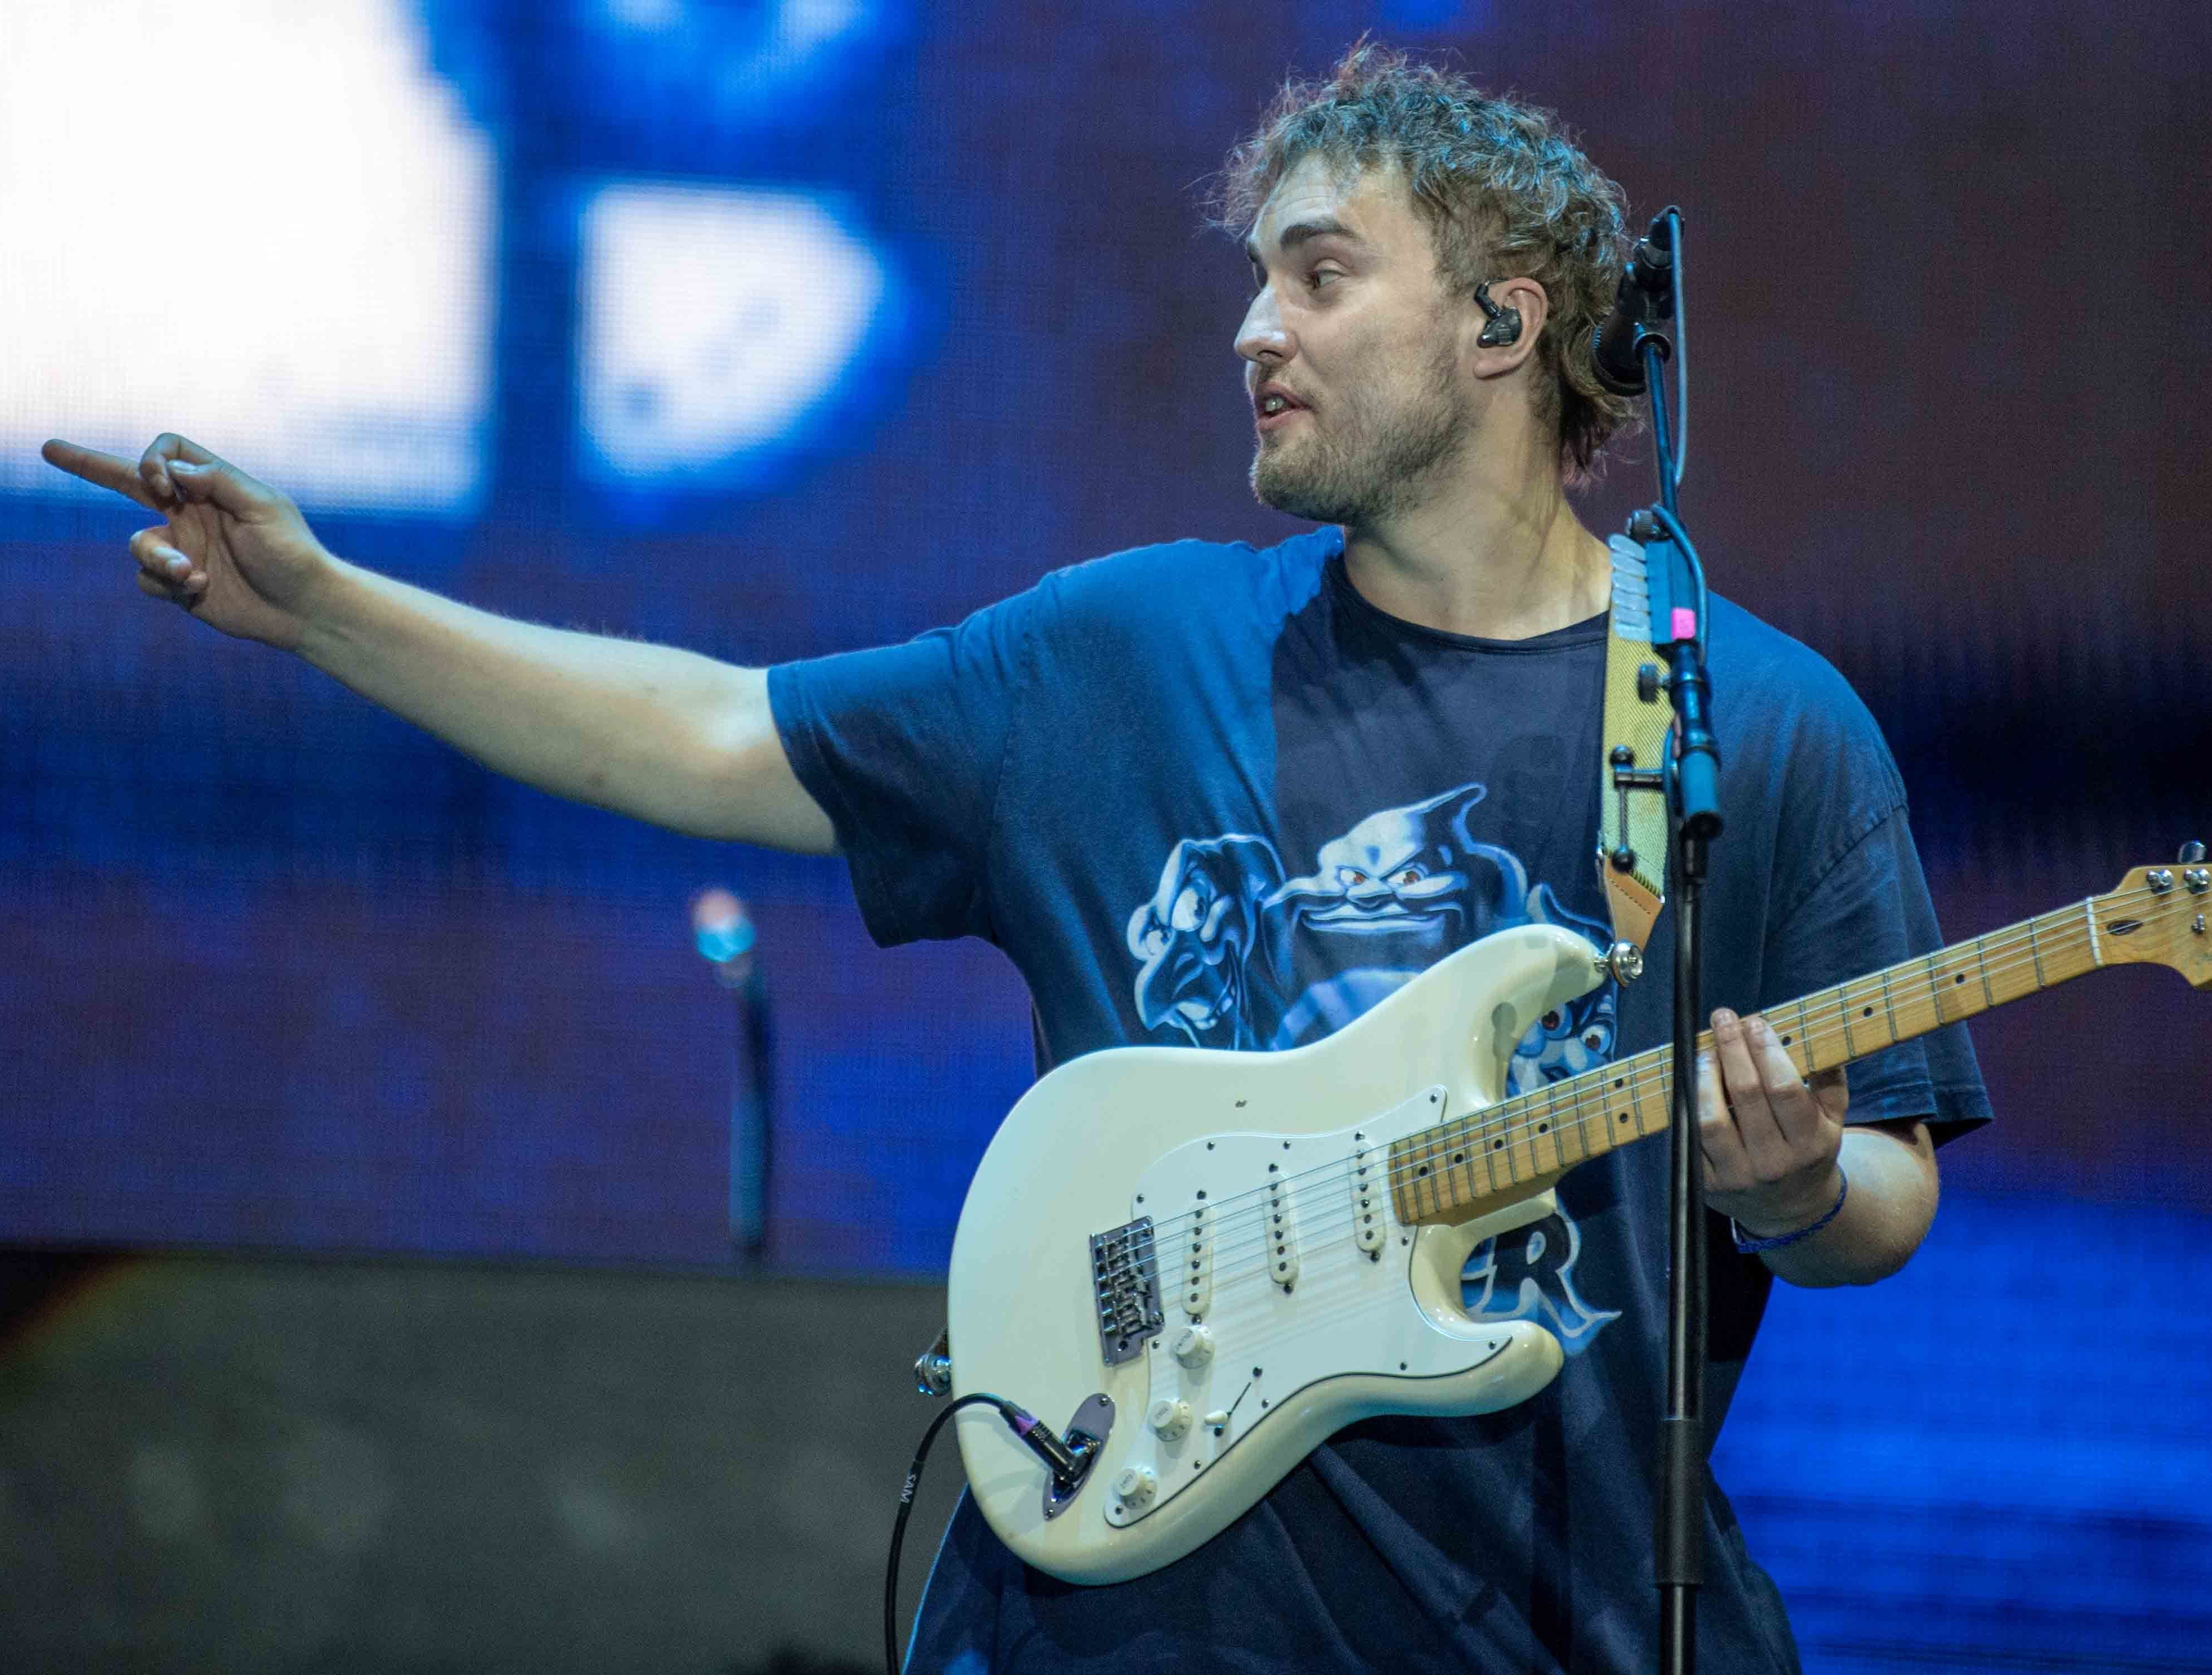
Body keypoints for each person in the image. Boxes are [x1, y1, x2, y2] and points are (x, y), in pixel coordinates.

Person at [44, 44, 1987, 1674]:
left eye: (1317, 276)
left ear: (1504, 321)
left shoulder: (1751, 714)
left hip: (1552, 1621)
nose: (1254, 328)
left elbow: (1882, 1189)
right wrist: (323, 609)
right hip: (1107, 1613)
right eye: (1254, 280)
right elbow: (722, 732)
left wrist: (1798, 1190)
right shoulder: (1127, 654)